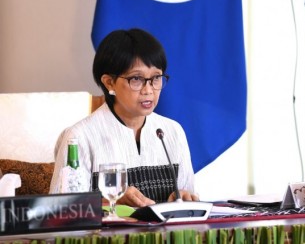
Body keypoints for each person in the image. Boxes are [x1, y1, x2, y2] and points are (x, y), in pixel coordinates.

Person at [49, 28, 199, 207]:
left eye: (156, 78)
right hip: (104, 235)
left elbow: (190, 197)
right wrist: (110, 202)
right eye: (136, 79)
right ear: (109, 82)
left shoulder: (172, 131)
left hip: (163, 235)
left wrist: (182, 198)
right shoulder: (79, 137)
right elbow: (61, 211)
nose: (148, 90)